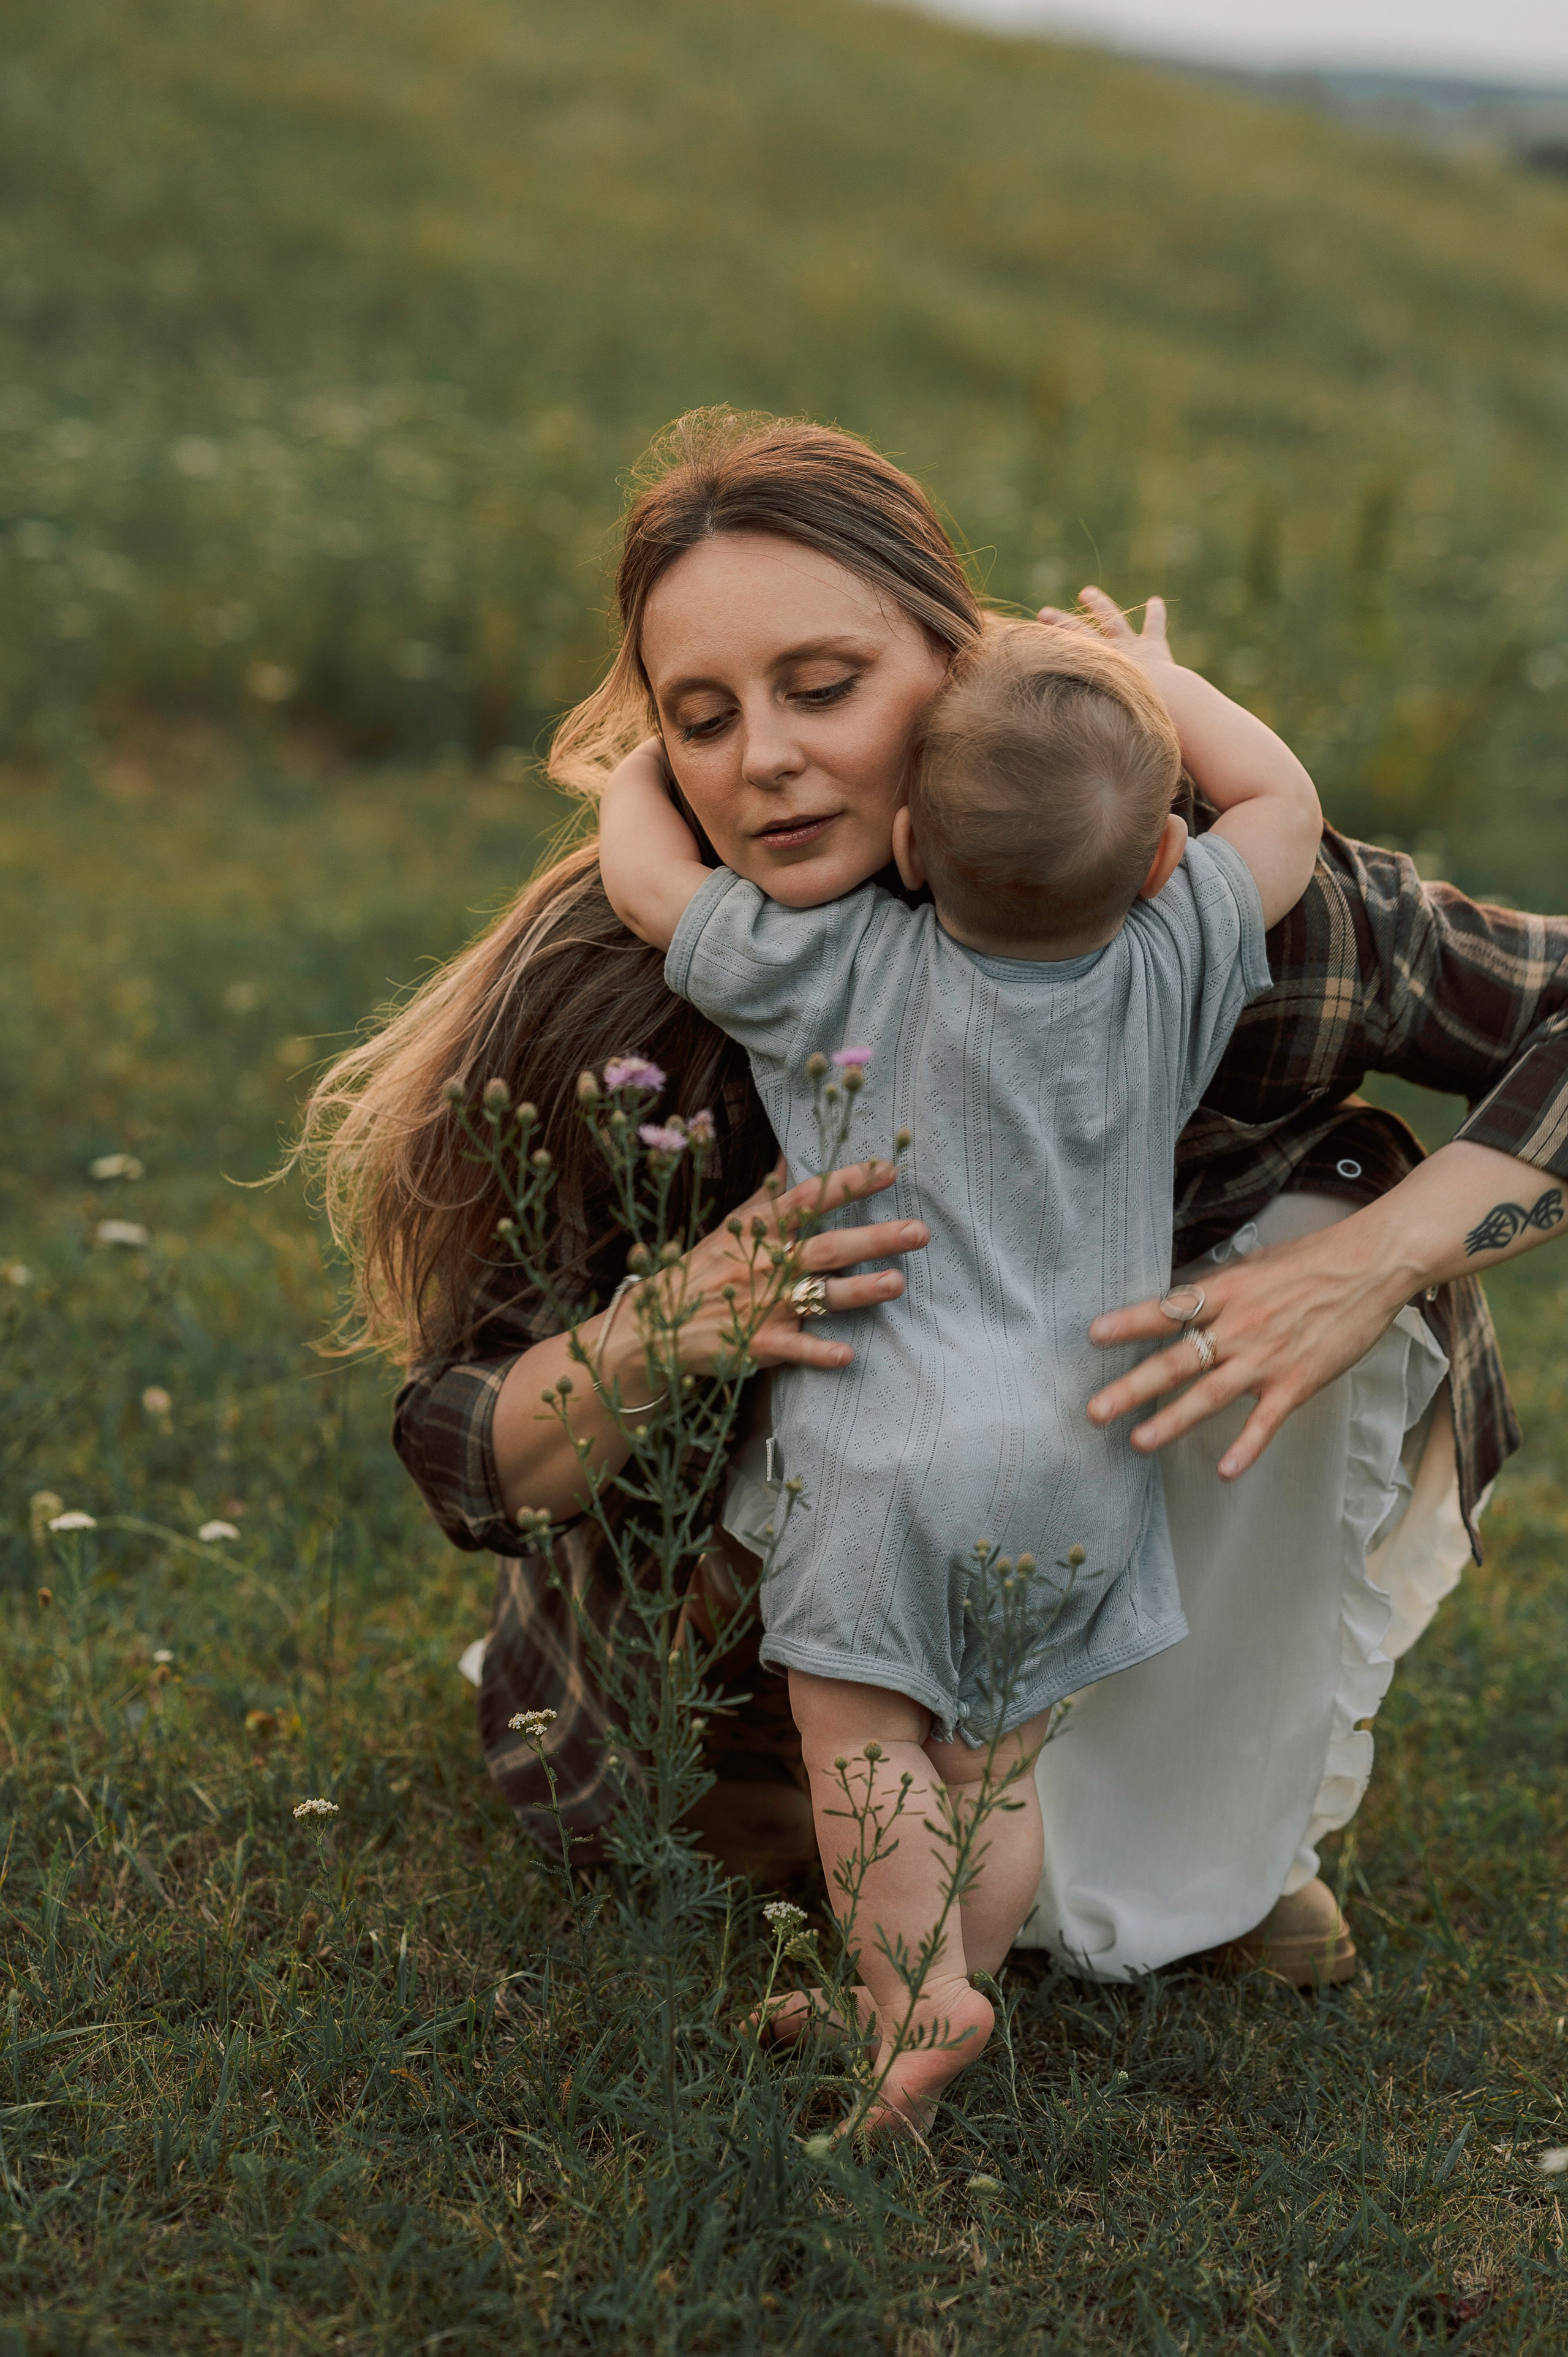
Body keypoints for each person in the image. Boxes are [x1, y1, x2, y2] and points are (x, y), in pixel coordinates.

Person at [301, 409, 1568, 2005]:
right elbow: (464, 1445)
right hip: (773, 1680)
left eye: (822, 688)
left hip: (1086, 1517)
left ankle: (1202, 1854)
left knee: (1326, 1228)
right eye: (700, 718)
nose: (765, 755)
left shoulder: (1181, 905)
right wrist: (674, 1325)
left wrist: (1380, 1263)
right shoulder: (628, 993)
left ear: (959, 660)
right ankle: (859, 1857)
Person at [595, 612, 1320, 2128]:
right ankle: (919, 2007)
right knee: (986, 1760)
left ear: (909, 845)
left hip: (884, 1447)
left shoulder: (836, 965)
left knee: (858, 1742)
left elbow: (648, 887)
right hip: (1082, 1447)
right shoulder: (1170, 952)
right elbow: (1281, 807)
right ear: (1151, 863)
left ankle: (912, 1997)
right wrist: (1156, 683)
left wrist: (634, 767)